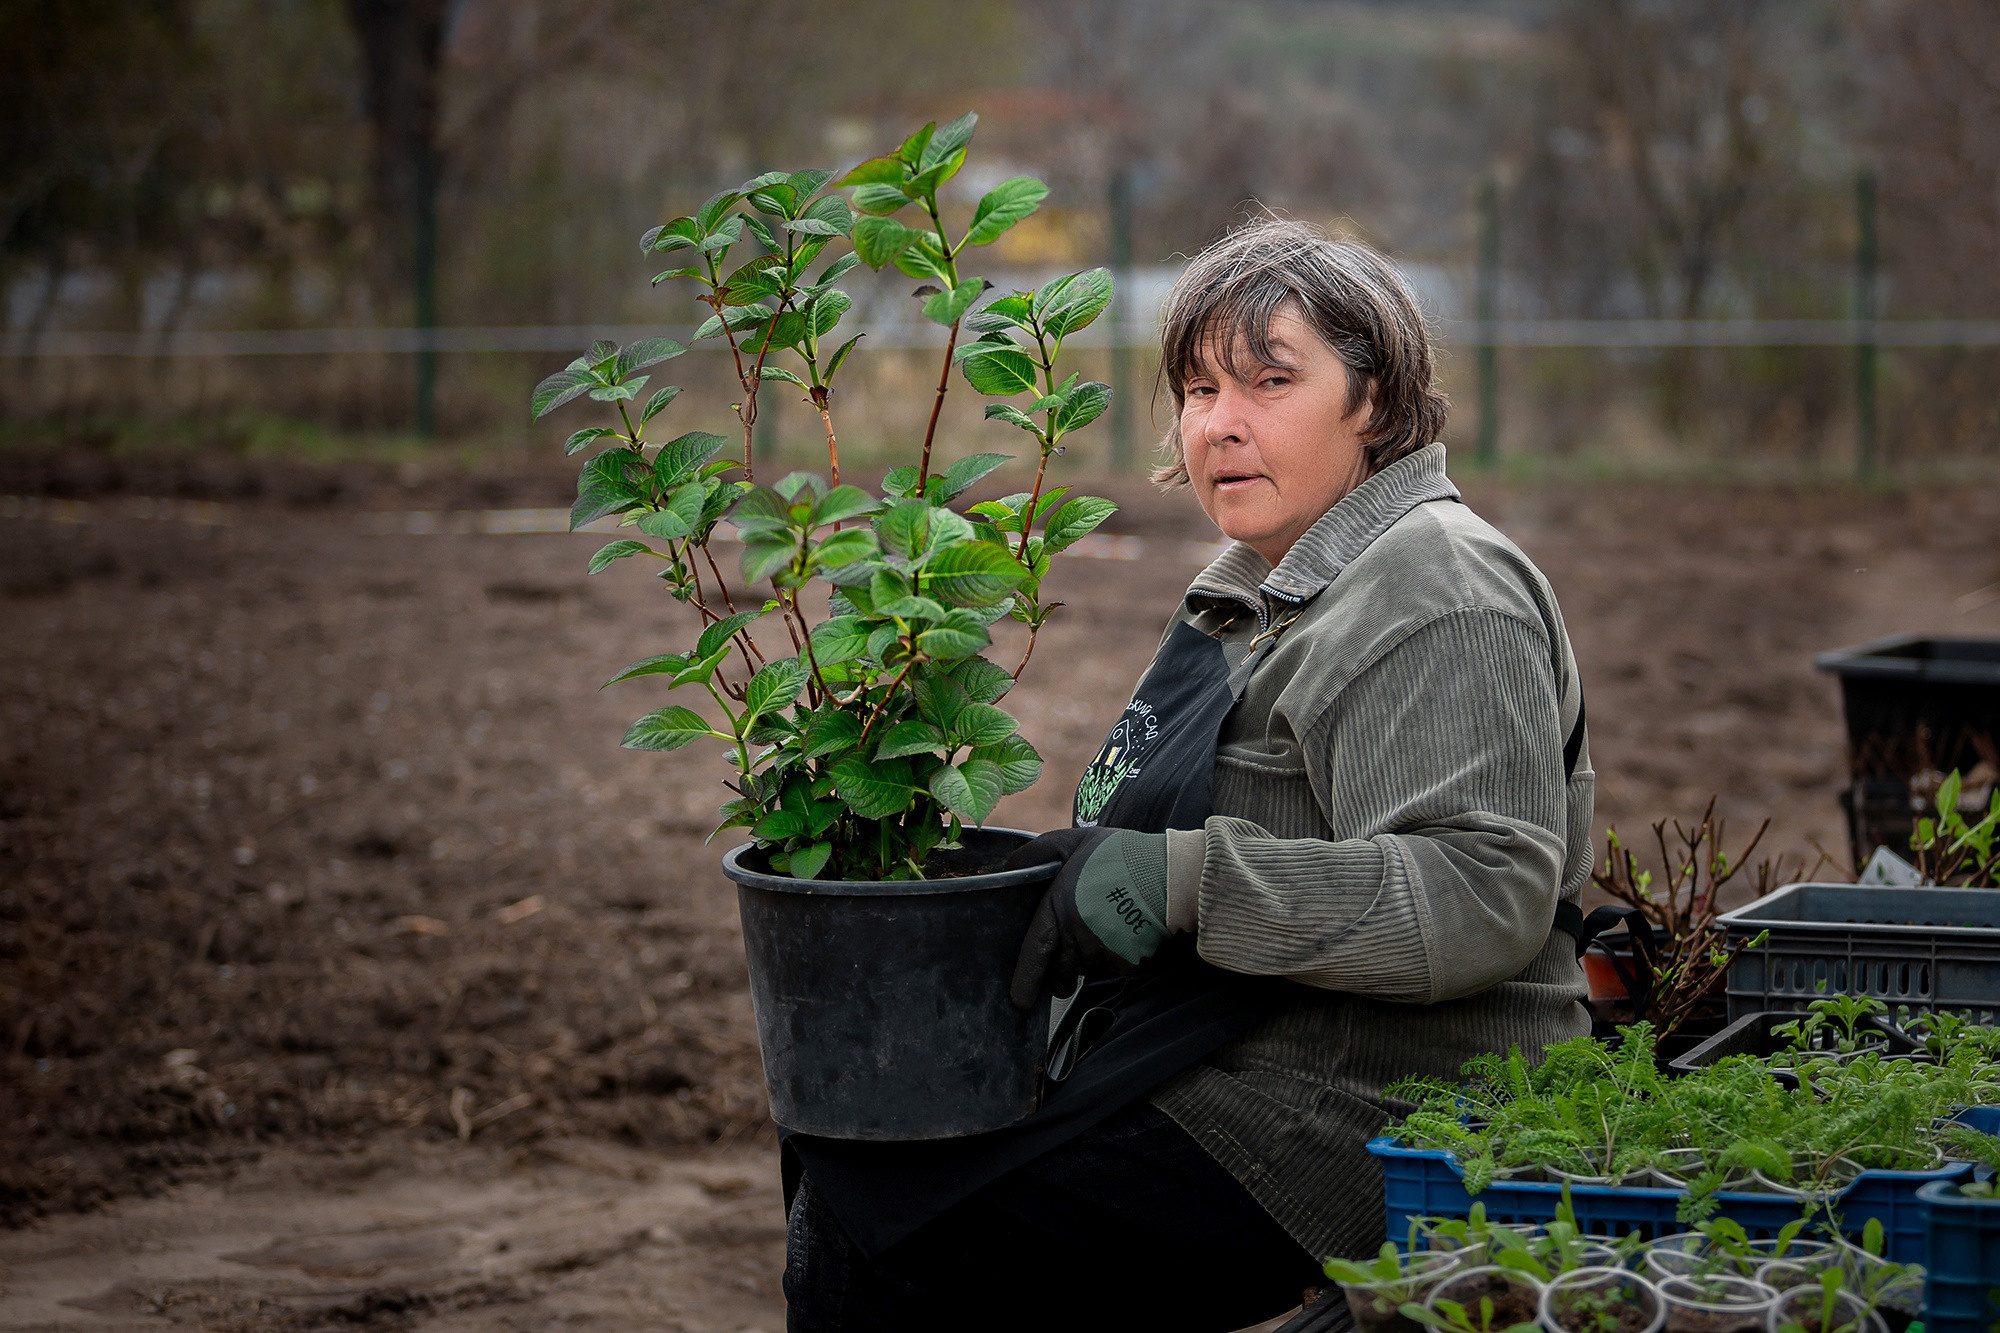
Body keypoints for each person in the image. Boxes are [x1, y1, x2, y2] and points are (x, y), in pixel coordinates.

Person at [782, 218, 1594, 1332]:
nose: (1221, 423)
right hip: (1247, 1056)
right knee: (864, 1166)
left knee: (902, 1236)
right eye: (1199, 388)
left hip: (1373, 1114)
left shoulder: (1432, 589)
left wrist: (1179, 885)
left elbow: (1479, 894)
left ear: (1375, 399)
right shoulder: (1271, 588)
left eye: (1269, 380)